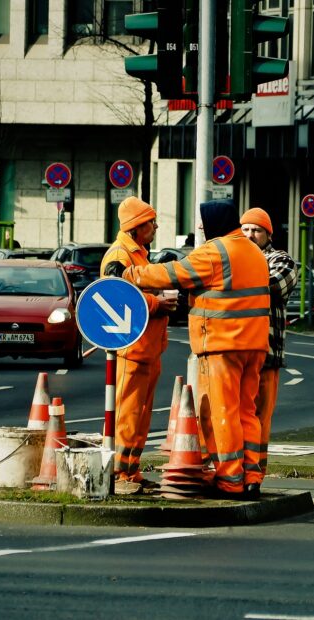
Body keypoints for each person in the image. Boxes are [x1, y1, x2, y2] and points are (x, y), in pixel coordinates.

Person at [111, 199, 270, 500]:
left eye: (203, 220)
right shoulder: (254, 252)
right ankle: (251, 476)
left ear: (215, 222)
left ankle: (230, 480)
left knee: (221, 413)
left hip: (223, 344)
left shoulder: (216, 251)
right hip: (255, 346)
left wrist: (130, 275)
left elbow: (174, 274)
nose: (200, 226)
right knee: (247, 411)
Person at [100, 196, 177, 494]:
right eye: (151, 222)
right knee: (128, 414)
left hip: (146, 349)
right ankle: (120, 472)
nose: (156, 226)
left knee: (140, 415)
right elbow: (116, 296)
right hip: (132, 349)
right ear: (136, 227)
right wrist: (158, 303)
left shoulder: (138, 254)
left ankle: (130, 471)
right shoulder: (119, 256)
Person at [240, 208, 297, 485]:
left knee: (260, 417)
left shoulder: (280, 259)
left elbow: (273, 286)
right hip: (236, 352)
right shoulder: (236, 257)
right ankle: (233, 470)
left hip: (267, 354)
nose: (250, 235)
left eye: (256, 230)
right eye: (246, 229)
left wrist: (235, 280)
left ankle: (255, 474)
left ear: (268, 235)